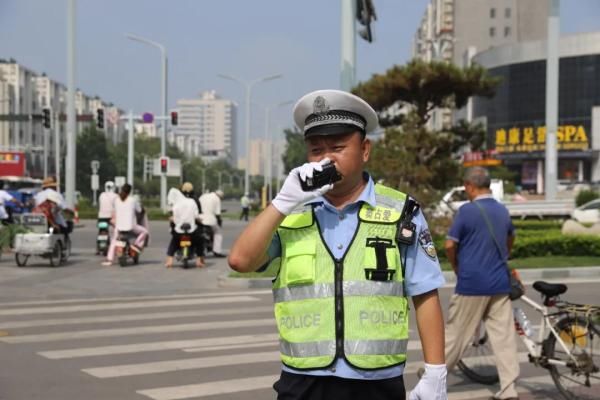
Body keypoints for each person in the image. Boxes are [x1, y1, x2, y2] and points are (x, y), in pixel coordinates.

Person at [228, 90, 447, 400]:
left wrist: (436, 371)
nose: (326, 158)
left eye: (338, 147)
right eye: (316, 149)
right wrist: (282, 202)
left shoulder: (401, 212)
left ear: (365, 149)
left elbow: (425, 292)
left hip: (376, 383)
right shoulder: (290, 214)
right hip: (303, 382)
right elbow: (240, 260)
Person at [444, 166, 519, 400]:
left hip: (472, 284)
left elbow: (449, 245)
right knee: (504, 339)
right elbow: (510, 239)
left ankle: (432, 374)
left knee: (456, 334)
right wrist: (501, 259)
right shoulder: (502, 210)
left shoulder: (467, 211)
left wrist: (457, 267)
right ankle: (509, 390)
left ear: (469, 186)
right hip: (499, 284)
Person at [102, 183, 148, 266]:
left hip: (119, 227)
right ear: (129, 192)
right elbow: (140, 211)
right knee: (144, 232)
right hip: (131, 226)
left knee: (113, 241)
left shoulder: (116, 200)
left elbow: (115, 210)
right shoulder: (132, 200)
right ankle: (136, 245)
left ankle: (109, 259)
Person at [165, 182, 205, 268]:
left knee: (174, 241)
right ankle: (199, 261)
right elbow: (197, 215)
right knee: (199, 241)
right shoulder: (193, 201)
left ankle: (169, 260)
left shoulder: (176, 204)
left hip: (179, 230)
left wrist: (173, 220)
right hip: (192, 229)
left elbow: (174, 217)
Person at [199, 189, 225, 257]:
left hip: (200, 219)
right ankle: (217, 251)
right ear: (220, 196)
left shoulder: (203, 196)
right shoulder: (217, 199)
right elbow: (217, 214)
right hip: (210, 220)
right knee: (218, 233)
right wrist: (219, 222)